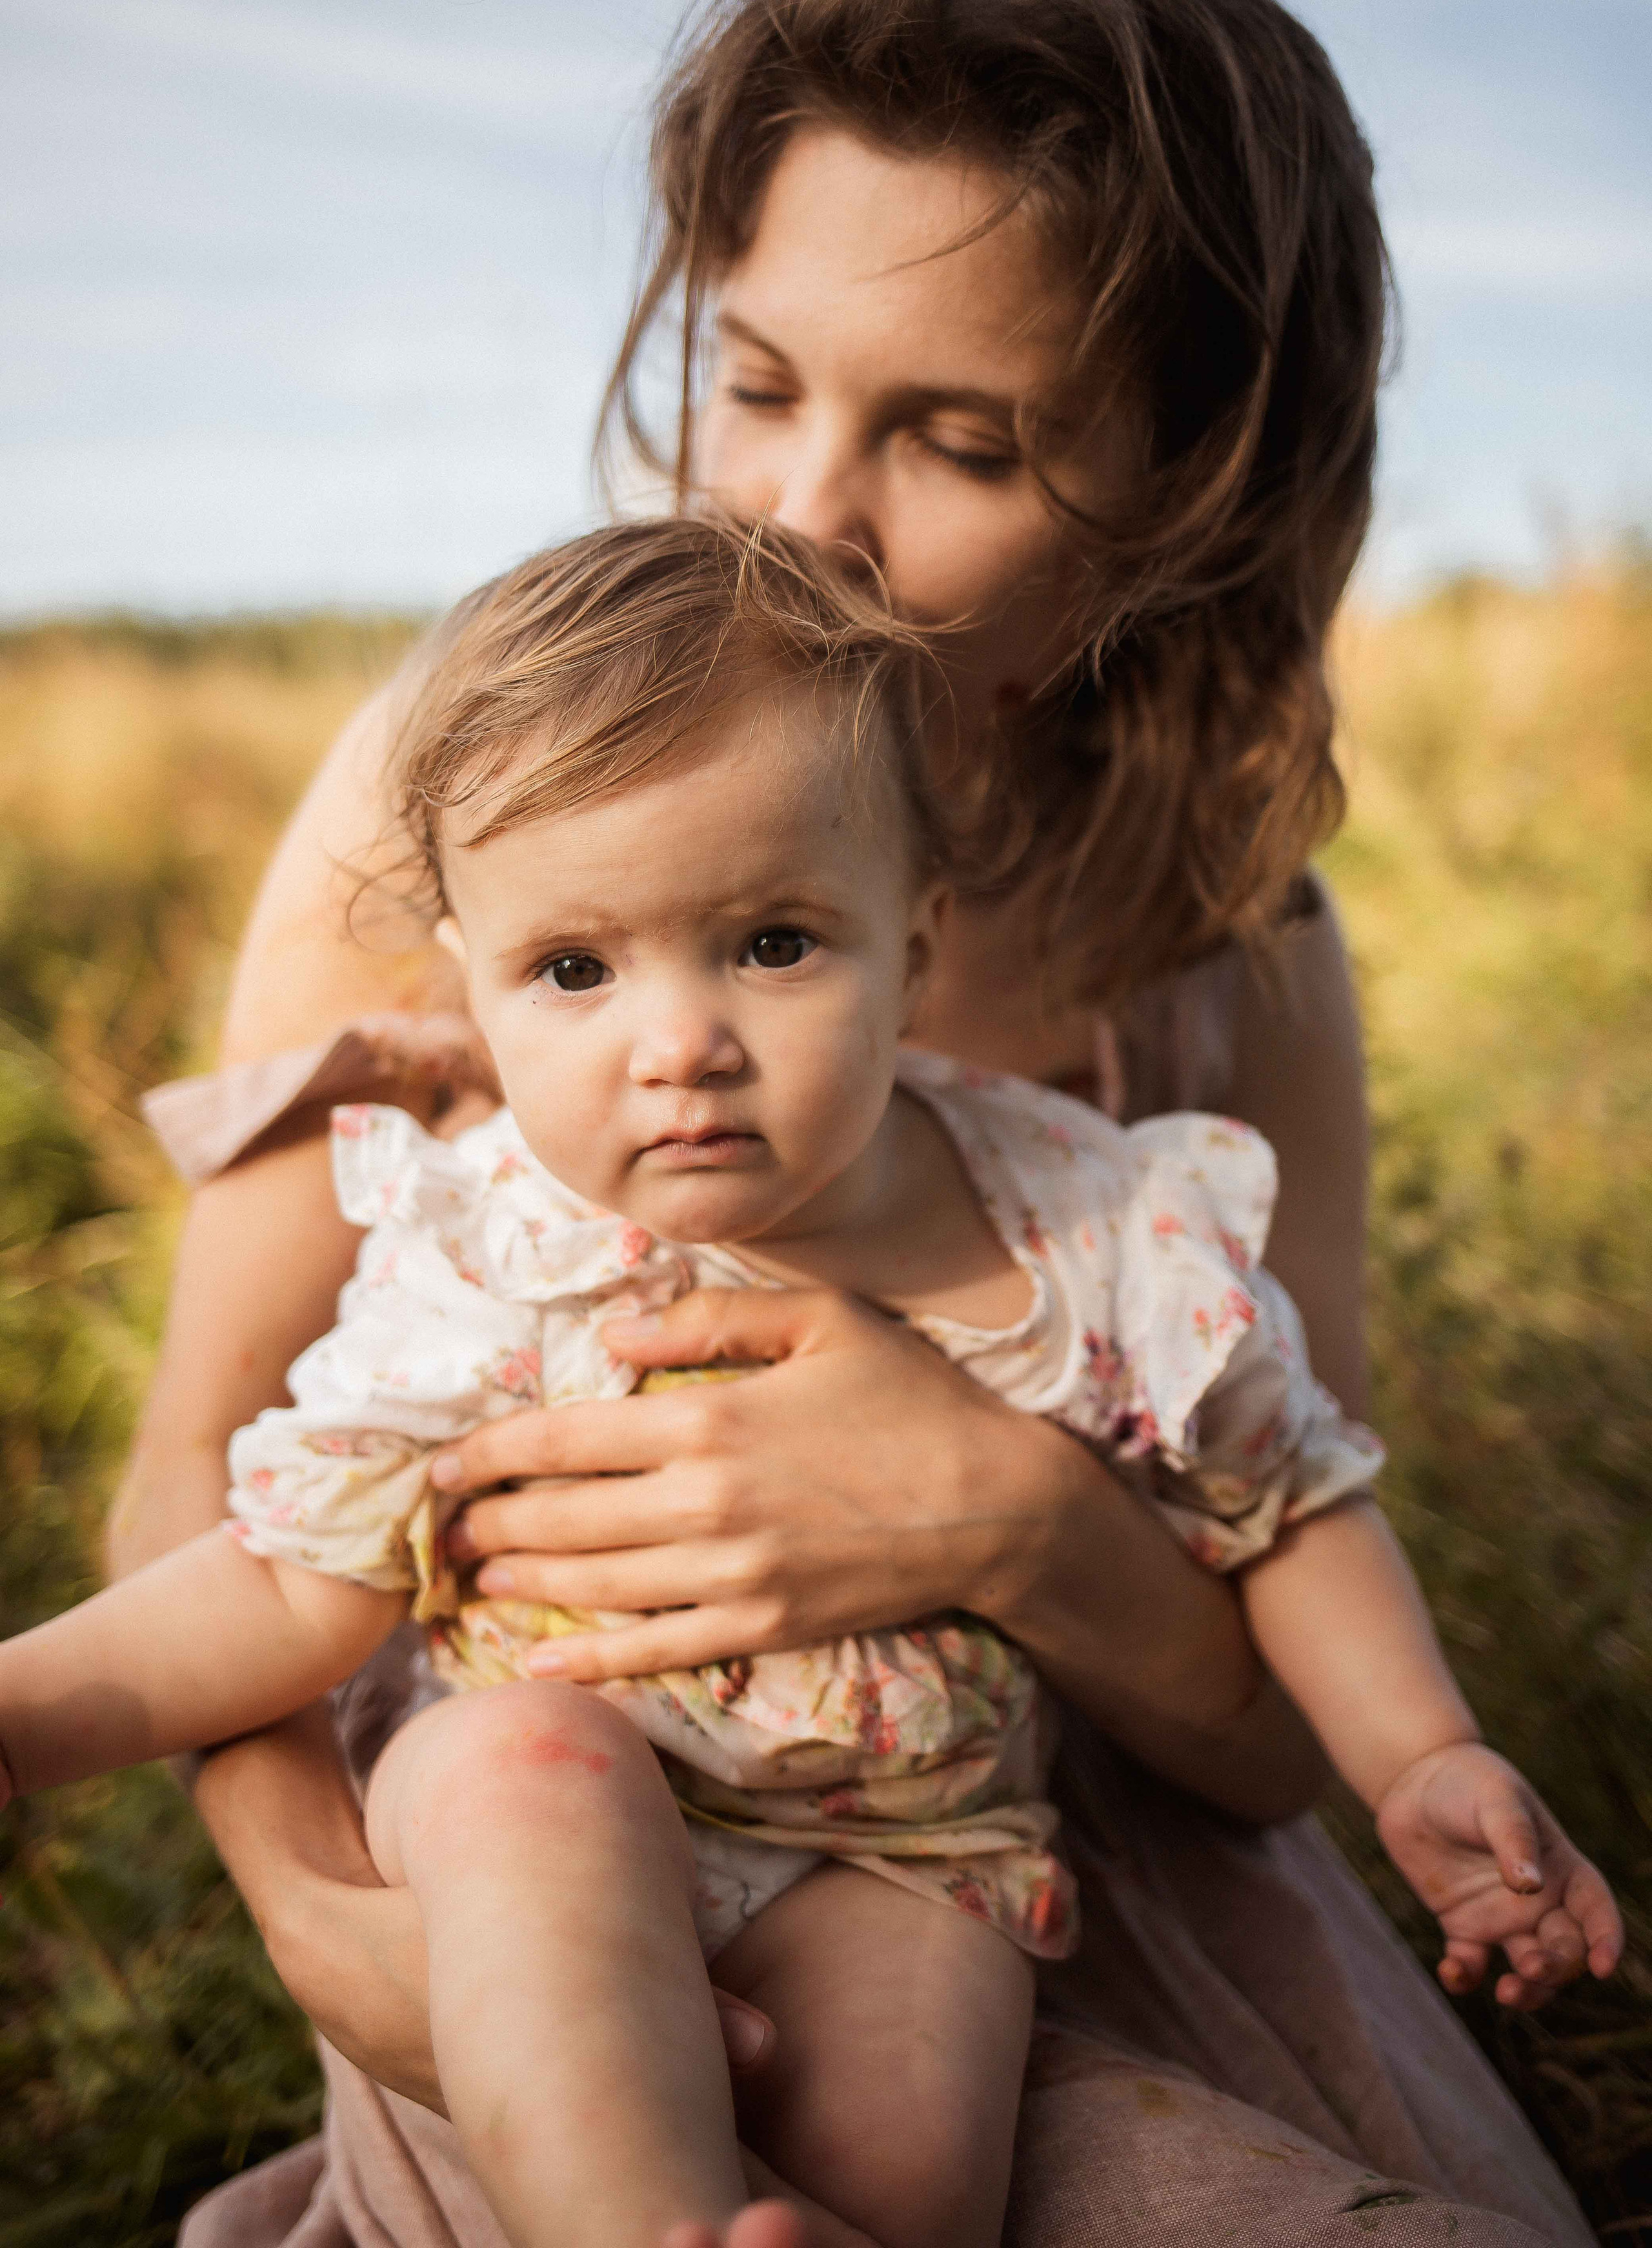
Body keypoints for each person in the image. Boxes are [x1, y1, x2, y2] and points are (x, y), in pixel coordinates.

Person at [111, 0, 1600, 2247]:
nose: (805, 516)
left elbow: (1251, 1730)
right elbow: (206, 1462)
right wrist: (325, 1921)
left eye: (968, 445)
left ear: (1180, 508)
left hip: (1026, 1868)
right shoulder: (494, 803)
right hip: (562, 1843)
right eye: (761, 381)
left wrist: (1007, 1518)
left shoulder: (1231, 957)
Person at [7, 518, 1617, 2248]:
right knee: (526, 1795)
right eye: (576, 969)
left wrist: (1423, 1751)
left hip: (908, 1846)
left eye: (771, 944)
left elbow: (1286, 1503)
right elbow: (287, 1577)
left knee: (911, 2149)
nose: (679, 1039)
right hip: (567, 1767)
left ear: (913, 948)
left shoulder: (1083, 1233)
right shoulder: (500, 1252)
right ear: (470, 993)